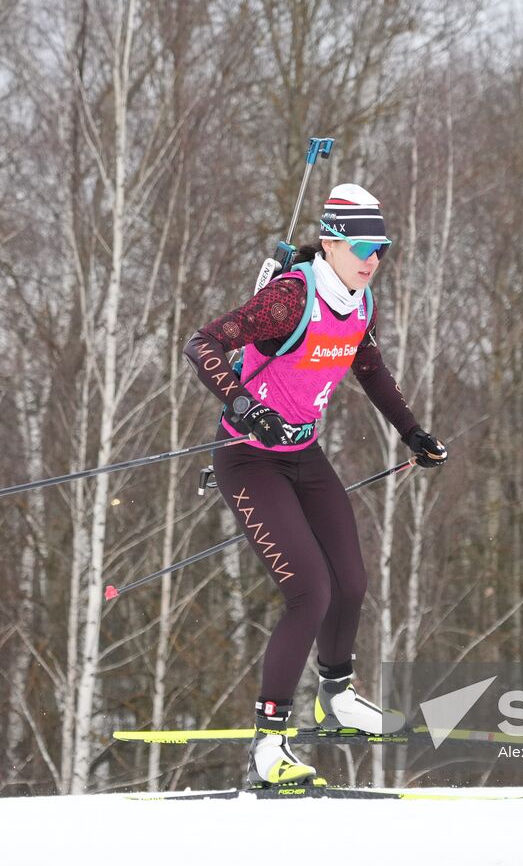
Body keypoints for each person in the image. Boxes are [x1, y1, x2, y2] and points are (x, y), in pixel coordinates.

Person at [183, 183, 447, 787]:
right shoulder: (288, 299)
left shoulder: (359, 303)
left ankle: (339, 699)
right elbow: (201, 344)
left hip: (301, 454)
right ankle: (266, 745)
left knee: (350, 582)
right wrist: (246, 406)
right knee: (310, 592)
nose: (372, 256)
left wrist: (413, 432)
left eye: (379, 246)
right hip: (248, 459)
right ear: (330, 242)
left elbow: (371, 370)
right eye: (360, 245)